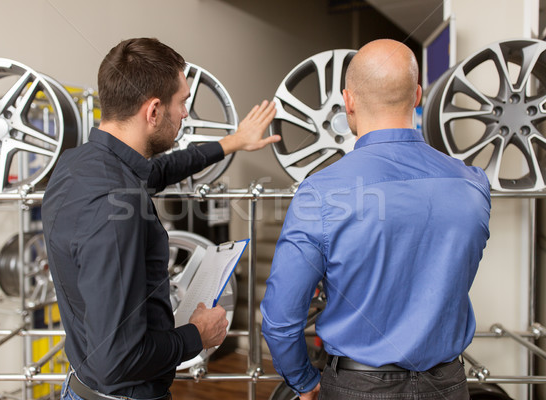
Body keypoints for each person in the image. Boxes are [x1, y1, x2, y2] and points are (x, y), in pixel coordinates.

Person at [42, 37, 279, 400]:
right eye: (183, 102)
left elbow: (160, 169)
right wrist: (196, 335)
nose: (186, 113)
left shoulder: (78, 165)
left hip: (82, 386)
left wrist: (232, 142)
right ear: (153, 111)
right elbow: (117, 360)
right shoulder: (113, 207)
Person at [261, 39, 491, 400]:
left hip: (357, 387)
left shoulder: (320, 192)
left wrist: (304, 382)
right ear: (417, 96)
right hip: (448, 386)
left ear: (348, 101)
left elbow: (280, 320)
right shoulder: (472, 183)